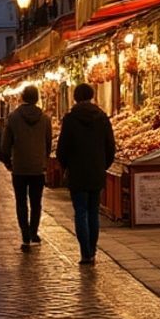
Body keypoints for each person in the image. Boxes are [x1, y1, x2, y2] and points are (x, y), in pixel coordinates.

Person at [56, 83, 115, 265]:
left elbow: (62, 148)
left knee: (80, 212)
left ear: (75, 97)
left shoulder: (70, 119)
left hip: (77, 171)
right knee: (93, 212)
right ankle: (93, 249)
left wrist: (65, 165)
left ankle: (85, 252)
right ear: (92, 95)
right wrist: (103, 165)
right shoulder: (102, 117)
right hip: (96, 171)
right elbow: (110, 146)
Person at [1, 85, 53, 251]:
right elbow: (48, 142)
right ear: (37, 98)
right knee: (36, 202)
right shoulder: (44, 118)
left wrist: (8, 162)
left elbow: (5, 145)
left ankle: (25, 235)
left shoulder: (13, 117)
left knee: (21, 202)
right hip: (38, 167)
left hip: (20, 167)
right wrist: (43, 159)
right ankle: (34, 232)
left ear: (22, 97)